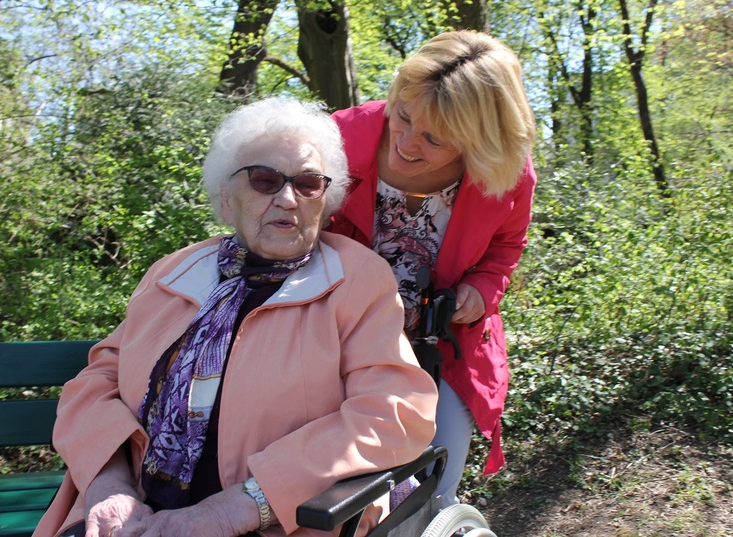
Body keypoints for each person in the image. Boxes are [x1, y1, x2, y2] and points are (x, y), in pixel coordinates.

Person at [34, 97, 438, 537]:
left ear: (327, 202)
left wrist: (238, 508)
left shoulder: (357, 281)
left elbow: (392, 413)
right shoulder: (175, 272)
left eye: (307, 184)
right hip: (134, 513)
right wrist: (108, 482)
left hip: (286, 520)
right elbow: (96, 383)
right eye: (264, 180)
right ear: (227, 199)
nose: (287, 199)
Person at [326, 30, 537, 507]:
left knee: (431, 490)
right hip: (332, 340)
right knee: (337, 491)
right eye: (402, 116)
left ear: (479, 142)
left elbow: (506, 246)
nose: (406, 143)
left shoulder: (506, 174)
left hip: (442, 347)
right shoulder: (335, 140)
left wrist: (482, 290)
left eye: (435, 139)